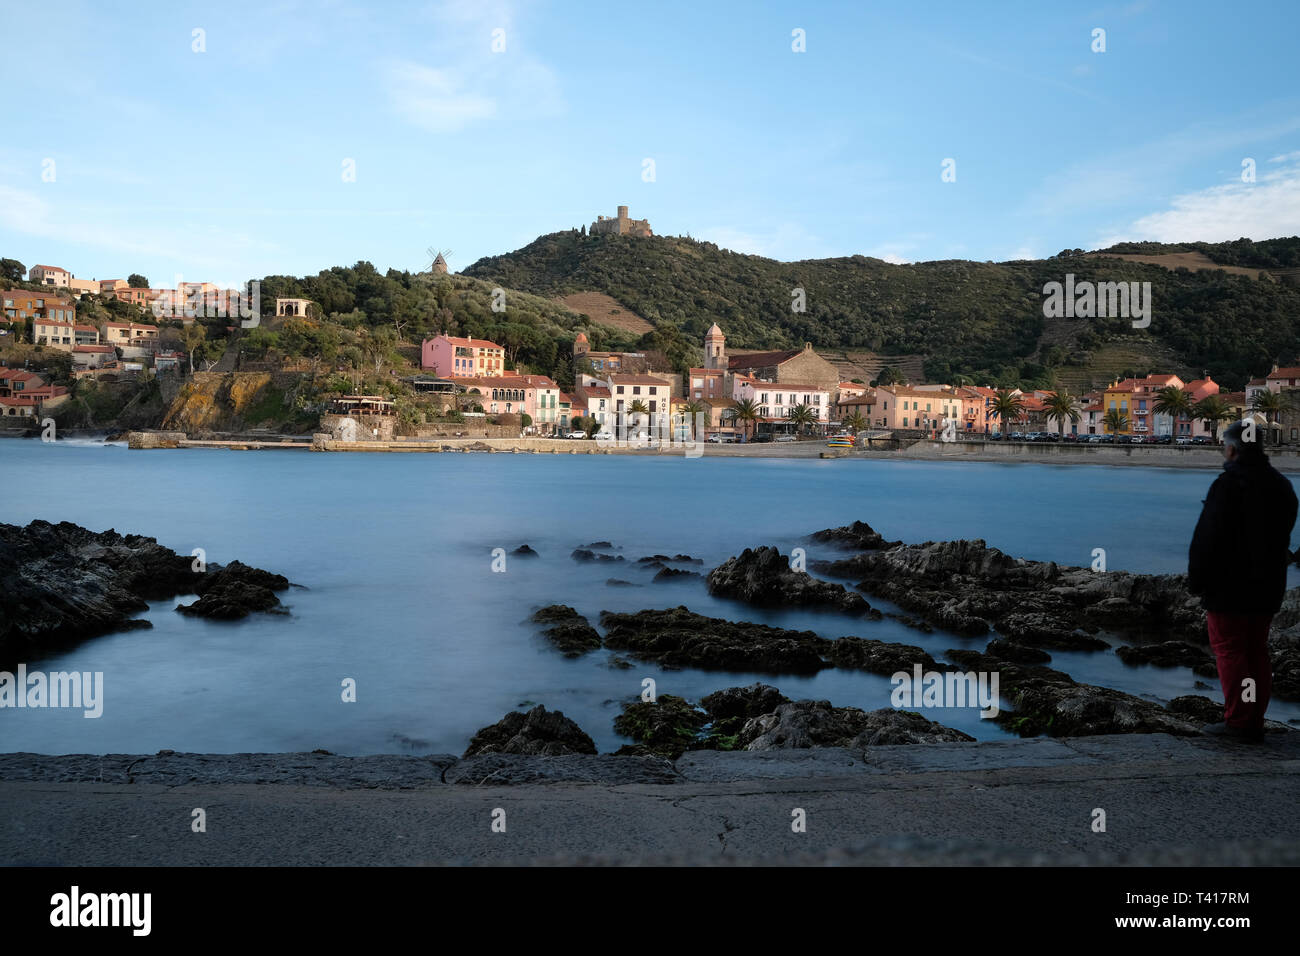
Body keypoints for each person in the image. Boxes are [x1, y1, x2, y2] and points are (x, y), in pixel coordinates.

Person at [1187, 420, 1298, 741]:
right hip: (1268, 586)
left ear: (1232, 448)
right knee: (1255, 652)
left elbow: (1207, 538)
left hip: (1229, 588)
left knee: (1231, 651)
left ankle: (1239, 722)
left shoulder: (1227, 485)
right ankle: (1253, 720)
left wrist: (1197, 581)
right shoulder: (1281, 485)